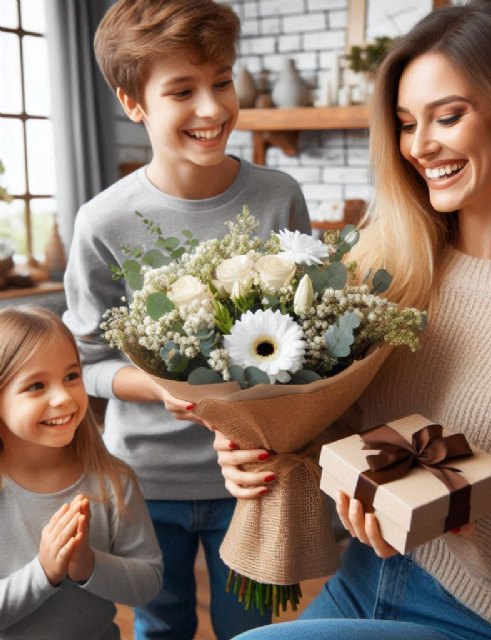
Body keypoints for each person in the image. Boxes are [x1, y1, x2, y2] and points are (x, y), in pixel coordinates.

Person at [216, 2, 491, 639]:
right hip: (360, 580)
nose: (419, 146)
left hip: (489, 617)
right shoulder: (390, 264)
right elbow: (339, 428)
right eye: (407, 123)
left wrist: (464, 509)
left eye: (448, 116)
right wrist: (265, 447)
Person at [62, 1, 311, 638]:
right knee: (160, 626)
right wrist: (161, 388)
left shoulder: (278, 194)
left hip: (254, 475)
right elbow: (86, 365)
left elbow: (306, 339)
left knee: (254, 630)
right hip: (145, 482)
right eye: (182, 90)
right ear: (132, 102)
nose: (212, 108)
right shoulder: (103, 221)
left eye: (222, 81)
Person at [0, 306, 163, 640]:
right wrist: (43, 573)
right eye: (36, 386)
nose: (63, 397)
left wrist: (89, 565)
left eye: (71, 376)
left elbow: (148, 584)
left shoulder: (114, 481)